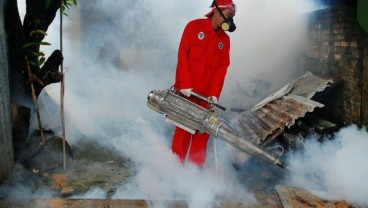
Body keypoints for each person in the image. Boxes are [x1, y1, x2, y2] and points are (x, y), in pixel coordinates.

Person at [171, 0, 237, 167]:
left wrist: (214, 93)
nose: (230, 22)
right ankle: (175, 170)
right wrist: (184, 84)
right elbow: (182, 56)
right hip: (188, 93)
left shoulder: (225, 41)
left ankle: (195, 172)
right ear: (216, 11)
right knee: (183, 130)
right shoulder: (194, 27)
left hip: (206, 98)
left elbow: (222, 69)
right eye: (228, 17)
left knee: (202, 133)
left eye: (232, 18)